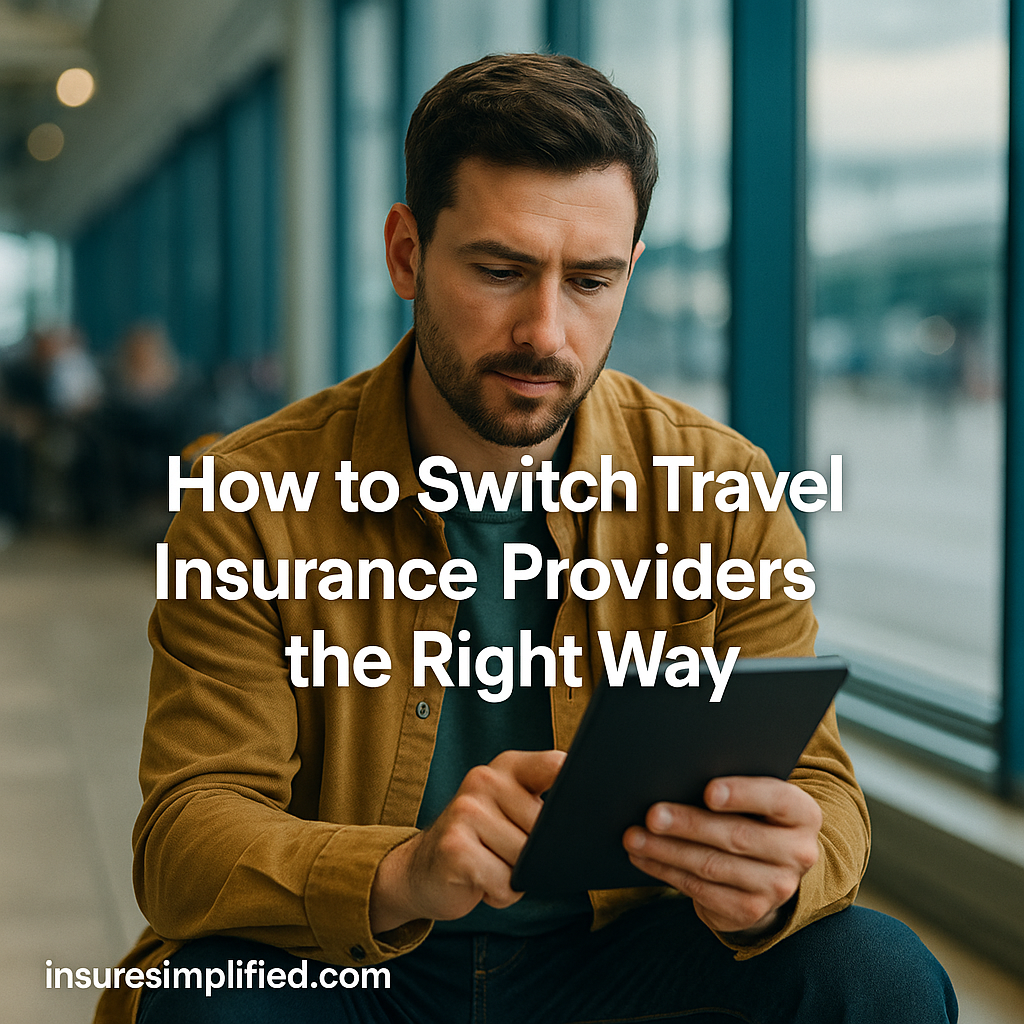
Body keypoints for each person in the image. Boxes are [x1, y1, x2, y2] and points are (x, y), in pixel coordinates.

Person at [95, 54, 956, 1023]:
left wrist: (780, 875)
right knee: (202, 1001)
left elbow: (819, 790)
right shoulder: (249, 495)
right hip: (358, 961)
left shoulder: (722, 489)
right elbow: (185, 834)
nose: (545, 331)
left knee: (878, 977)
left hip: (617, 958)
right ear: (406, 254)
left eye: (590, 281)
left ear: (631, 271)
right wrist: (406, 868)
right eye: (500, 271)